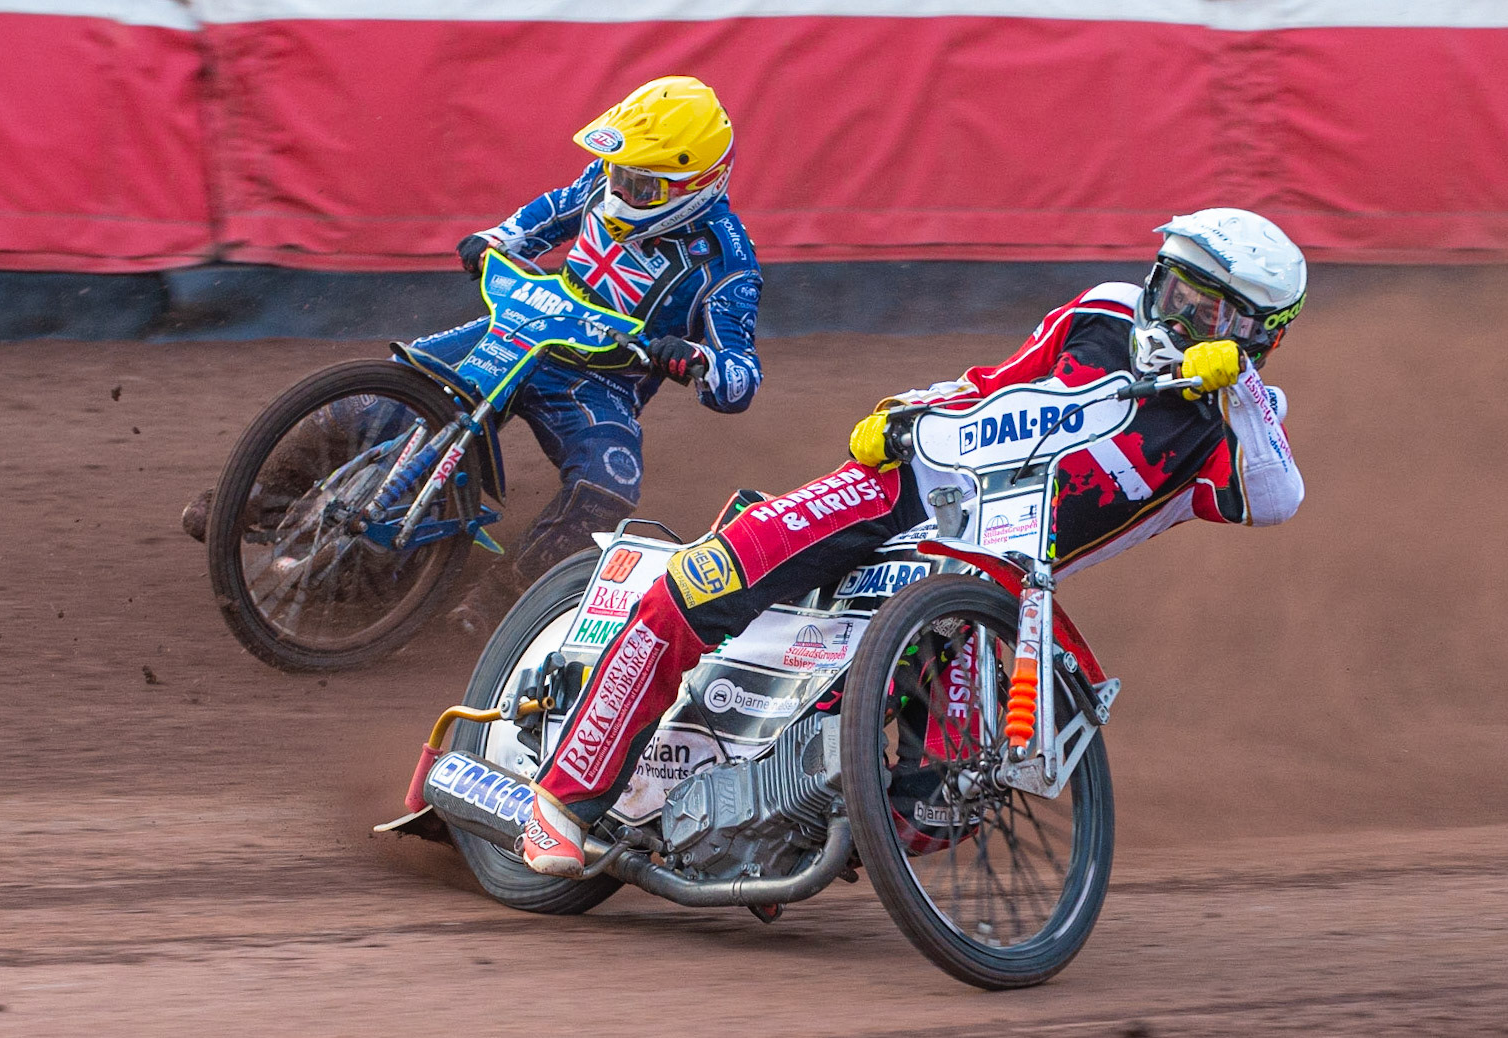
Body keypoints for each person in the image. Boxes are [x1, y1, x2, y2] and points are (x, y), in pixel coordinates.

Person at [517, 207, 1309, 877]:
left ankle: (779, 823)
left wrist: (1237, 387)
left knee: (940, 805)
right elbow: (994, 382)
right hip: (904, 487)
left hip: (982, 576)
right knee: (704, 580)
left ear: (1259, 334)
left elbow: (1278, 500)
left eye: (1208, 313)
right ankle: (563, 799)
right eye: (1175, 291)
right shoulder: (1102, 311)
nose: (1177, 318)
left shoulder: (1235, 431)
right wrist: (905, 411)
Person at [184, 75, 764, 631]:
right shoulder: (608, 180)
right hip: (526, 320)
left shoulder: (728, 262)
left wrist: (696, 359)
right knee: (390, 384)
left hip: (599, 380)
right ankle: (255, 497)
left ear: (699, 185)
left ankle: (505, 602)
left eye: (641, 186)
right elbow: (553, 210)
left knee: (608, 487)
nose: (620, 192)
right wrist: (497, 238)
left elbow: (741, 375)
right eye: (618, 173)